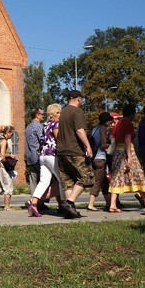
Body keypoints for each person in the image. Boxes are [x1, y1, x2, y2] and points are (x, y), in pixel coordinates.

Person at [107, 104, 145, 213]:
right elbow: (128, 141)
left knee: (117, 178)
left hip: (117, 153)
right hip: (128, 152)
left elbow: (111, 137)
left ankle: (112, 205)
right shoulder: (129, 124)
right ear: (132, 114)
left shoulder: (118, 124)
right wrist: (129, 157)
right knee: (138, 176)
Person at [55, 90, 94, 219]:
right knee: (87, 176)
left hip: (61, 151)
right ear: (78, 99)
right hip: (74, 150)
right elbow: (79, 130)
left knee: (68, 180)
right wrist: (88, 146)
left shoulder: (64, 111)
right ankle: (69, 202)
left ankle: (69, 210)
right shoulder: (77, 111)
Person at [25, 103, 66, 217]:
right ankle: (65, 205)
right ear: (52, 114)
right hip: (52, 154)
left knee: (44, 182)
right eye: (58, 112)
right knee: (61, 181)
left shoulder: (46, 124)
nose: (60, 114)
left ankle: (33, 204)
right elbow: (58, 138)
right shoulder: (56, 124)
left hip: (43, 155)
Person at [87, 112, 114, 211]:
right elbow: (103, 145)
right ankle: (90, 204)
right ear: (106, 121)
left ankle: (108, 203)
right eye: (110, 120)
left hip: (94, 157)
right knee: (98, 181)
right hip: (100, 158)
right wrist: (112, 145)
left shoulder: (94, 129)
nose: (111, 122)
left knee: (104, 182)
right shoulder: (103, 128)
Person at [0, 125, 16, 211]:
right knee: (8, 186)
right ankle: (7, 206)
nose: (12, 136)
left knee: (1, 187)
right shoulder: (4, 141)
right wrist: (10, 155)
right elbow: (2, 154)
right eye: (11, 134)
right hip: (2, 165)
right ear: (7, 133)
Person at [24, 107, 45, 197]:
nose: (43, 116)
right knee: (43, 180)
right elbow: (43, 140)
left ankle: (33, 201)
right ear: (37, 115)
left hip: (29, 156)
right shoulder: (39, 126)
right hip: (38, 156)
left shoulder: (28, 127)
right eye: (42, 114)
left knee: (33, 180)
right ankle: (40, 202)